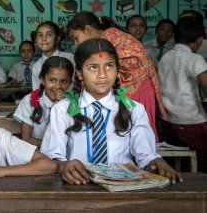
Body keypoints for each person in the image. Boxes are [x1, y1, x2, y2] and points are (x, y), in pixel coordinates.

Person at [41, 38, 183, 185]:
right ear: (79, 74)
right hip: (78, 184)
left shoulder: (133, 109)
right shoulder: (62, 109)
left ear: (117, 71)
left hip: (123, 186)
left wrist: (156, 161)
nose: (102, 74)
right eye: (93, 67)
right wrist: (62, 165)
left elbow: (145, 155)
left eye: (109, 66)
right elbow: (53, 155)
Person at [66, 11, 166, 142]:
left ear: (88, 29)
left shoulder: (110, 38)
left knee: (138, 137)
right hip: (129, 90)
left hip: (138, 91)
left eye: (76, 37)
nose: (75, 43)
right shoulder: (105, 39)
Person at [158, 17, 207, 173]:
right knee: (201, 166)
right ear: (199, 40)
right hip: (192, 121)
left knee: (179, 165)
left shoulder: (165, 57)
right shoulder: (195, 59)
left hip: (169, 121)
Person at [14, 56, 73, 148]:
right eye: (52, 80)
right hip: (38, 155)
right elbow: (27, 139)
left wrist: (63, 104)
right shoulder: (28, 101)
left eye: (64, 81)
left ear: (70, 83)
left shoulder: (74, 104)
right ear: (42, 80)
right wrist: (54, 147)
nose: (58, 86)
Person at [31, 21, 75, 90]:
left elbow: (74, 85)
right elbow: (36, 92)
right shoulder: (36, 67)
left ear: (57, 39)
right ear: (36, 40)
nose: (43, 39)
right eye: (40, 35)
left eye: (49, 34)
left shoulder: (69, 58)